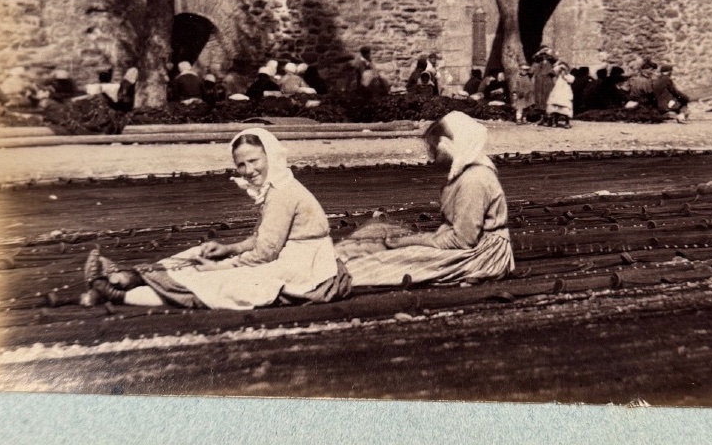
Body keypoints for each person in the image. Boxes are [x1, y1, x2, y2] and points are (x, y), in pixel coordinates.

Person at [80, 128, 348, 310]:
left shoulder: (282, 193)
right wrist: (228, 249)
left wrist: (220, 267)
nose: (248, 170)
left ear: (271, 156)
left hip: (306, 270)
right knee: (200, 256)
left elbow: (265, 253)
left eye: (254, 161)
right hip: (288, 258)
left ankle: (119, 292)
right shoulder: (277, 186)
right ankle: (132, 276)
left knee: (219, 285)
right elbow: (260, 239)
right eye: (241, 165)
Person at [337, 112, 514, 288]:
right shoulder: (465, 174)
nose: (431, 156)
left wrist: (413, 240)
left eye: (434, 149)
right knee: (376, 232)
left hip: (482, 255)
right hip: (460, 242)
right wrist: (416, 239)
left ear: (447, 146)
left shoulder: (474, 180)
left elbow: (464, 241)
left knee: (390, 261)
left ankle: (338, 271)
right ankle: (337, 258)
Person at [545, 61, 574, 127]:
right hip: (557, 93)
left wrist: (564, 76)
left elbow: (571, 80)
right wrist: (559, 66)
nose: (563, 71)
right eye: (561, 69)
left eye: (564, 69)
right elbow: (554, 70)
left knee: (566, 108)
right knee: (555, 108)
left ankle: (567, 122)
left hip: (565, 94)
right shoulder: (558, 76)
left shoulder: (570, 76)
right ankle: (555, 121)